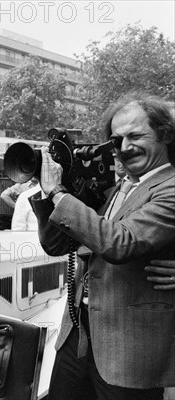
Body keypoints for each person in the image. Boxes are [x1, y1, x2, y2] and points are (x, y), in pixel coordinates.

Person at [30, 92, 175, 399]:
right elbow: (57, 245)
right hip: (78, 337)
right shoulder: (113, 188)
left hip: (130, 349)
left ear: (164, 135)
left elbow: (119, 243)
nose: (124, 147)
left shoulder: (170, 187)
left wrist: (57, 192)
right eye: (116, 139)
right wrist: (51, 195)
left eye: (135, 136)